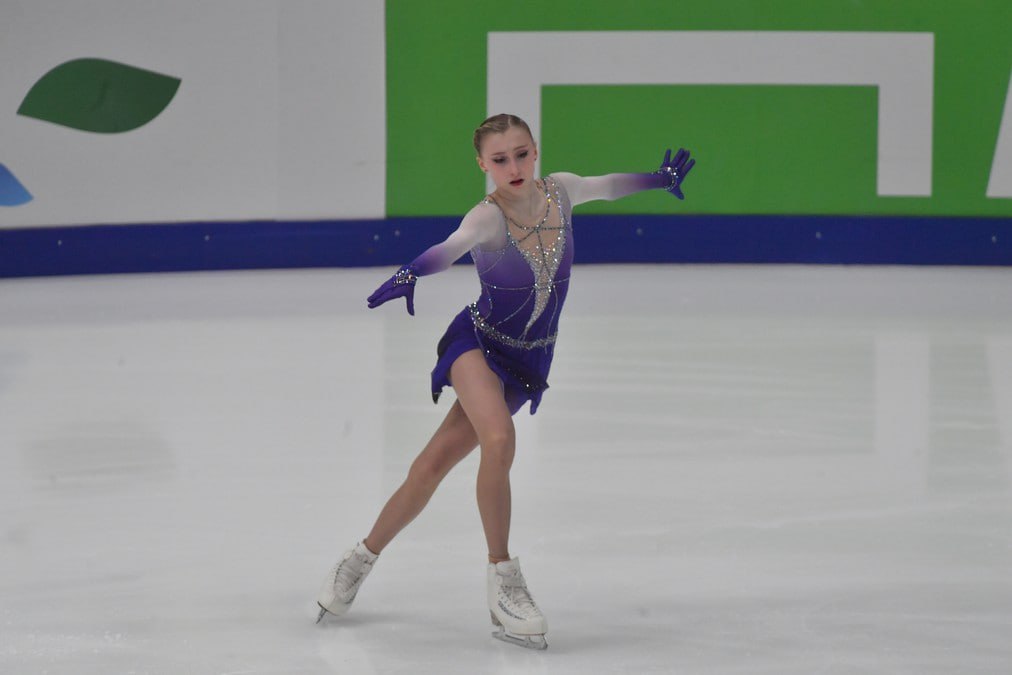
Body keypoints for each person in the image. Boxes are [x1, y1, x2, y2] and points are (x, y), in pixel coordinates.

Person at [316, 113, 694, 649]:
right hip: (478, 344)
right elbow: (450, 246)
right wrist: (410, 273)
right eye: (499, 159)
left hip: (526, 363)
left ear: (534, 150)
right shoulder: (487, 218)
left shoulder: (561, 191)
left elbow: (607, 186)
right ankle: (504, 579)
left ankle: (360, 557)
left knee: (432, 464)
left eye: (520, 153)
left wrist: (657, 179)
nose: (513, 166)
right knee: (498, 438)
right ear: (483, 165)